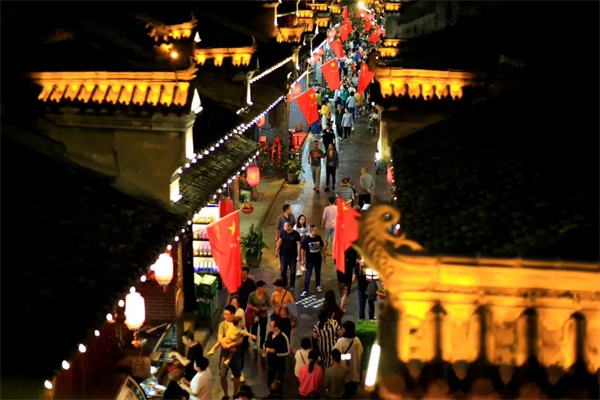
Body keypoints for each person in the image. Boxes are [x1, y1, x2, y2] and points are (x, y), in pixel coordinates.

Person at [216, 305, 243, 399]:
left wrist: (230, 345)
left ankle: (235, 392)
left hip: (236, 354)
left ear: (233, 314)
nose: (225, 316)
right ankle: (226, 394)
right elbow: (220, 339)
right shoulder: (222, 325)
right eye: (224, 314)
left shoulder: (239, 323)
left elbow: (241, 339)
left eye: (227, 314)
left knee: (236, 374)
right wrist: (229, 347)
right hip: (225, 354)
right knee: (222, 375)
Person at [333, 321, 363, 399]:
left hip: (344, 373)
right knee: (351, 394)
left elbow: (335, 354)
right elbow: (361, 352)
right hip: (354, 373)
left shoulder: (340, 342)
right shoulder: (357, 340)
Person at [264, 315, 291, 387]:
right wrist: (266, 348)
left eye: (271, 326)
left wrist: (276, 352)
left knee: (277, 383)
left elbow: (287, 352)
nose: (269, 328)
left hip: (279, 365)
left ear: (277, 327)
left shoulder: (283, 337)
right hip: (270, 363)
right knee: (269, 381)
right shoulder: (270, 334)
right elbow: (265, 343)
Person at [300, 225, 326, 297]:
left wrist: (324, 256)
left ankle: (318, 286)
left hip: (318, 259)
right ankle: (305, 290)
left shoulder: (318, 237)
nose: (318, 231)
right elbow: (302, 250)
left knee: (318, 273)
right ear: (312, 231)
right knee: (308, 275)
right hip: (310, 261)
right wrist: (302, 260)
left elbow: (322, 247)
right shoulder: (306, 239)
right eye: (316, 230)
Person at [275, 222, 302, 288]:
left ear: (290, 226)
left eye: (285, 226)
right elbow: (280, 241)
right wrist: (276, 250)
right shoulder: (283, 233)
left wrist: (299, 255)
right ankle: (284, 283)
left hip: (293, 256)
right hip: (284, 255)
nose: (284, 227)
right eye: (284, 226)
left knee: (292, 271)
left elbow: (298, 244)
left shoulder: (296, 234)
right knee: (283, 270)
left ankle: (292, 283)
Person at [247, 280, 271, 350]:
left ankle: (262, 345)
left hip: (263, 316)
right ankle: (254, 341)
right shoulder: (252, 295)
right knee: (254, 329)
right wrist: (253, 308)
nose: (264, 289)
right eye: (262, 287)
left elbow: (269, 306)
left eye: (264, 287)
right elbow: (248, 304)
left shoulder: (266, 296)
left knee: (263, 331)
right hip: (254, 315)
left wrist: (265, 308)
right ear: (257, 288)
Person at [338, 247, 358, 312]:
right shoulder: (351, 248)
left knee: (342, 287)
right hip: (347, 270)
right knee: (346, 289)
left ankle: (345, 299)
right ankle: (341, 308)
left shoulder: (340, 247)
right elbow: (354, 262)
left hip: (339, 269)